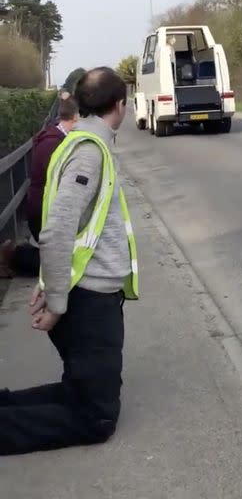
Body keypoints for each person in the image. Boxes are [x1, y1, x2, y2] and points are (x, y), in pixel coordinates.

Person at [0, 67, 139, 456]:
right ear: (120, 105)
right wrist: (57, 301)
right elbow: (59, 229)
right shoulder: (90, 152)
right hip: (88, 302)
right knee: (94, 417)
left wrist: (50, 284)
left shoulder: (81, 143)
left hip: (89, 295)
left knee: (78, 394)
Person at [0, 97, 79, 279]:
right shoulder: (54, 144)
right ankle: (11, 255)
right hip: (43, 212)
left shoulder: (55, 138)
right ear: (76, 117)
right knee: (59, 265)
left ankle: (14, 254)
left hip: (44, 209)